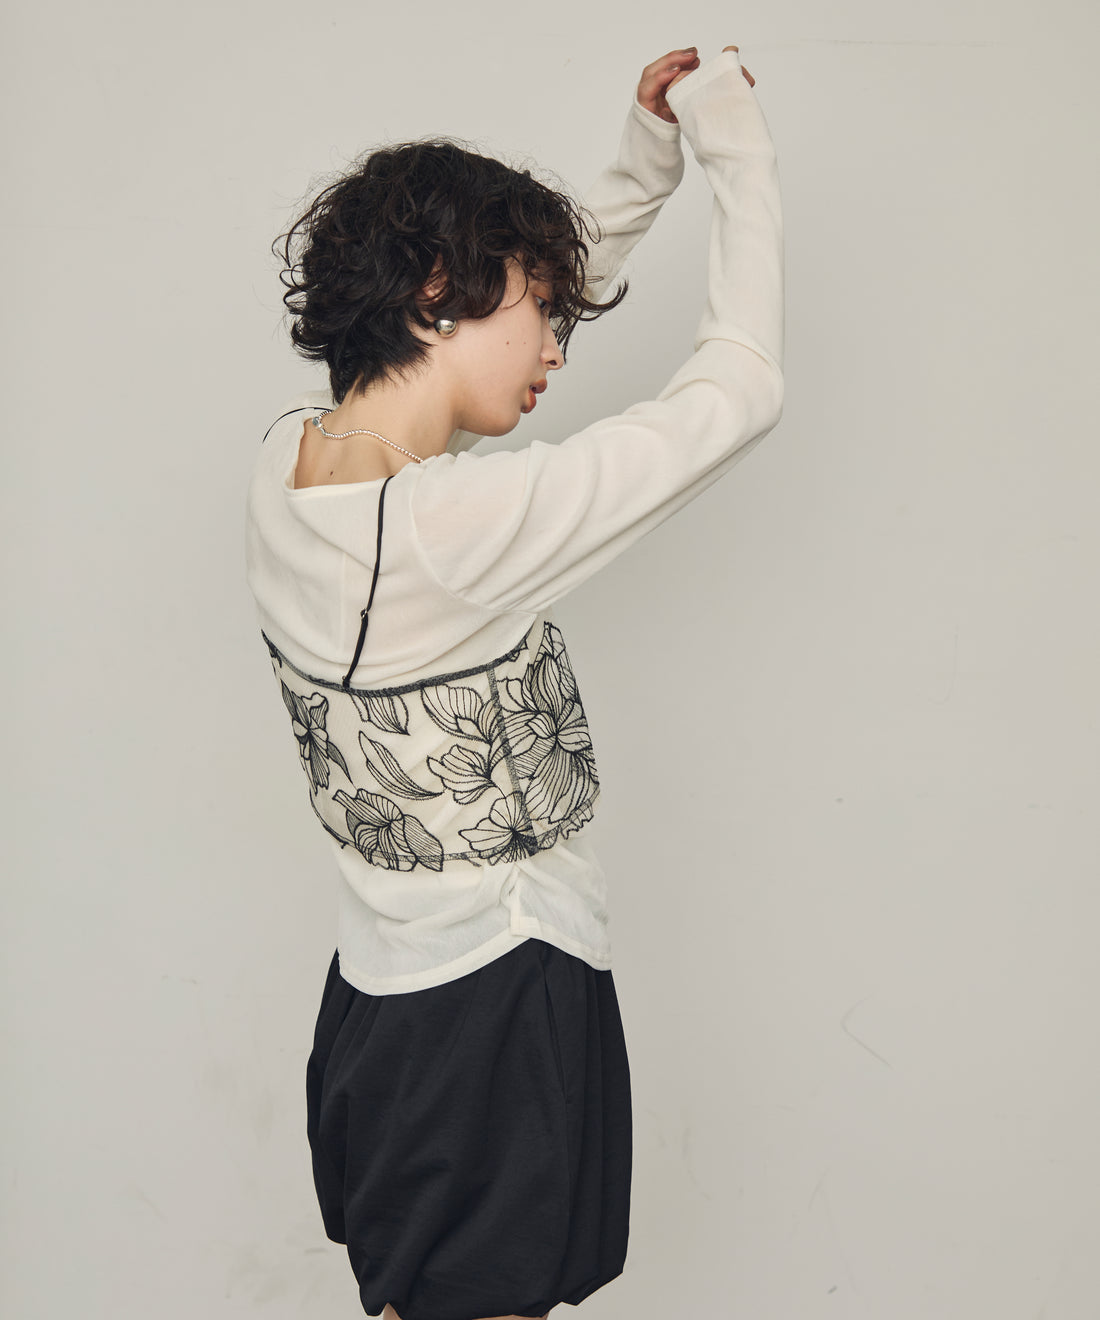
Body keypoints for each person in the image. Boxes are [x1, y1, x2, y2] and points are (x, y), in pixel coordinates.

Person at [245, 41, 782, 1320]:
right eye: (545, 312)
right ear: (437, 291)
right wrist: (735, 153)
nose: (558, 346)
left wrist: (641, 165)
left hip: (382, 1003)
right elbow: (740, 389)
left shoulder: (290, 465)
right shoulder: (453, 532)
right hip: (495, 999)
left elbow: (492, 307)